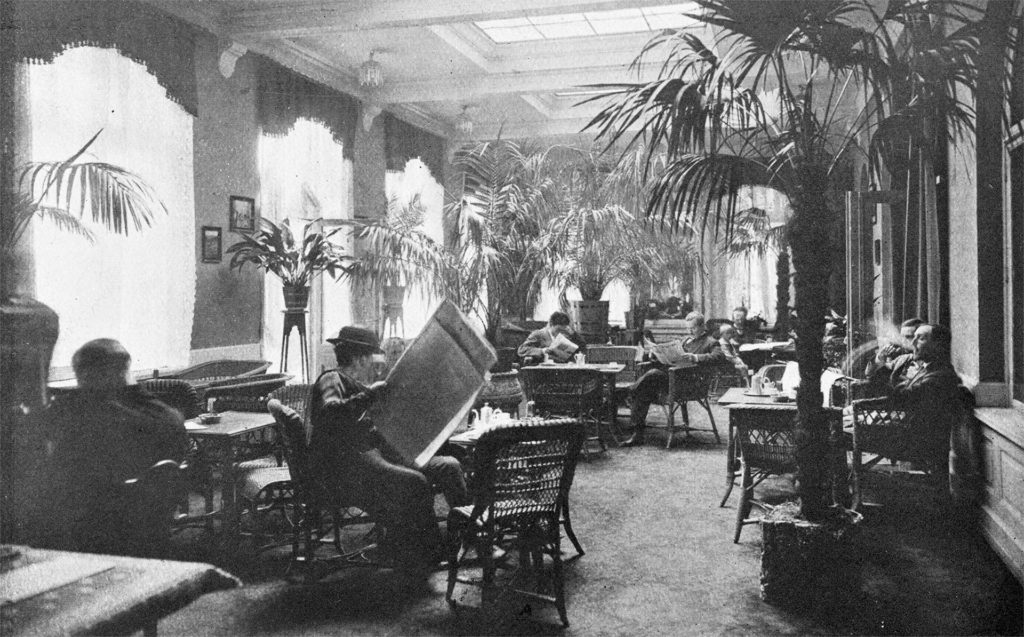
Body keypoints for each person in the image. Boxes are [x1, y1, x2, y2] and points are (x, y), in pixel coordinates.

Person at [309, 326, 468, 574]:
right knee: (414, 482)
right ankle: (426, 555)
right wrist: (369, 397)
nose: (377, 365)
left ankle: (469, 539)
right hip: (345, 469)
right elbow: (331, 413)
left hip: (370, 458)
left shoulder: (358, 384)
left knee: (449, 465)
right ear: (360, 358)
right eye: (374, 358)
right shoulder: (333, 379)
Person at [40, 339, 188, 554]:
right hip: (152, 529)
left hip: (97, 534)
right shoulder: (170, 416)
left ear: (100, 375)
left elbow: (59, 476)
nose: (81, 384)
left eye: (83, 376)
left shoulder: (94, 422)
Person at [871, 323, 967, 474]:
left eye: (920, 339)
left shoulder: (940, 375)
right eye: (913, 338)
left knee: (838, 431)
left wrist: (883, 369)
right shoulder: (929, 369)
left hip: (915, 441)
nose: (913, 343)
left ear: (938, 345)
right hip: (907, 431)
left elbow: (901, 399)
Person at [623, 312, 726, 446]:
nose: (690, 331)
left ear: (702, 326)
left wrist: (695, 358)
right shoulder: (685, 340)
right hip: (672, 378)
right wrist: (656, 354)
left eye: (693, 328)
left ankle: (628, 392)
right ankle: (637, 434)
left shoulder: (710, 342)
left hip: (691, 384)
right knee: (644, 389)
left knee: (652, 374)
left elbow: (719, 357)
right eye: (688, 328)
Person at [517, 311, 588, 365]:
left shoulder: (566, 335)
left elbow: (583, 346)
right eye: (558, 330)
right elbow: (522, 349)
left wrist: (573, 334)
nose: (560, 333)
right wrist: (542, 351)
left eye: (563, 330)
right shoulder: (539, 334)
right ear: (551, 324)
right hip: (545, 371)